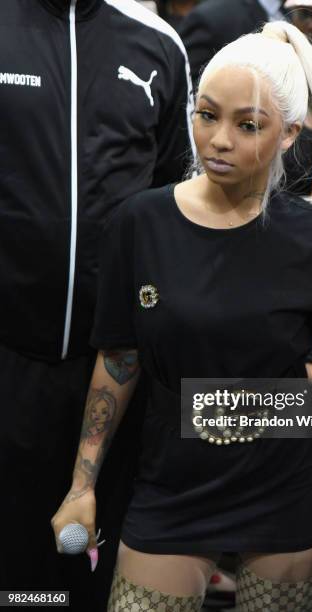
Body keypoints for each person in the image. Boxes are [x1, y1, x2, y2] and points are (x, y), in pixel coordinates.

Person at [52, 21, 312, 612]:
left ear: (290, 133)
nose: (218, 139)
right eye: (206, 114)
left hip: (290, 489)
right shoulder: (138, 224)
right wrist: (82, 485)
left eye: (248, 125)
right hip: (171, 485)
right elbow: (119, 359)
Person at [0, 1, 193, 611]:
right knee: (14, 565)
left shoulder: (157, 44)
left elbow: (175, 196)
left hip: (115, 366)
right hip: (9, 355)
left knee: (87, 562)